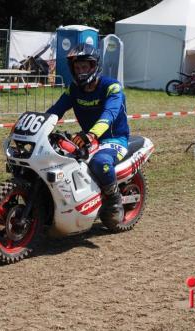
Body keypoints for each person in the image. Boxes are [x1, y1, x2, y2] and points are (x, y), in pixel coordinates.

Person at [46, 43, 129, 225]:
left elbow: (110, 114)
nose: (81, 71)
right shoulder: (74, 89)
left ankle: (114, 200)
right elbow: (56, 110)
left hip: (113, 139)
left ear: (94, 66)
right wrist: (40, 125)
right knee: (59, 156)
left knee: (100, 163)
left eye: (84, 66)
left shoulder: (112, 87)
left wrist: (92, 135)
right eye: (77, 67)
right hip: (88, 137)